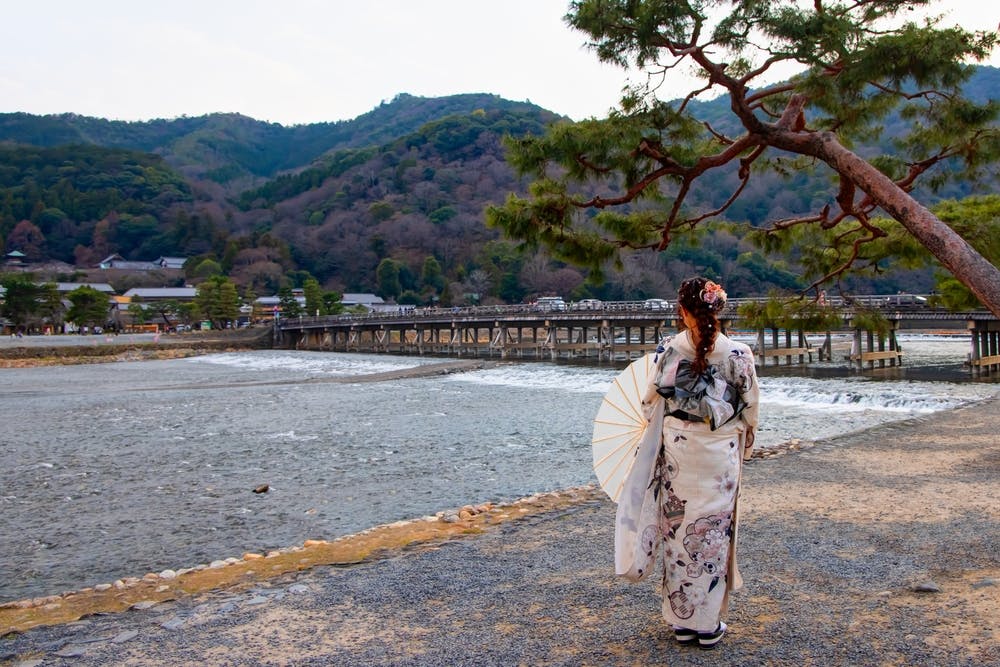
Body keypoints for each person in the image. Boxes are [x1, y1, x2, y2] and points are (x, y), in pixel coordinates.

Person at [614, 276, 759, 649]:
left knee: (678, 531)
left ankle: (682, 622)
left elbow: (650, 402)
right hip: (719, 453)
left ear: (681, 311)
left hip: (679, 449)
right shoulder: (738, 353)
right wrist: (736, 433)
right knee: (712, 534)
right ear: (718, 308)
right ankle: (708, 625)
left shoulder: (668, 349)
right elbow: (750, 408)